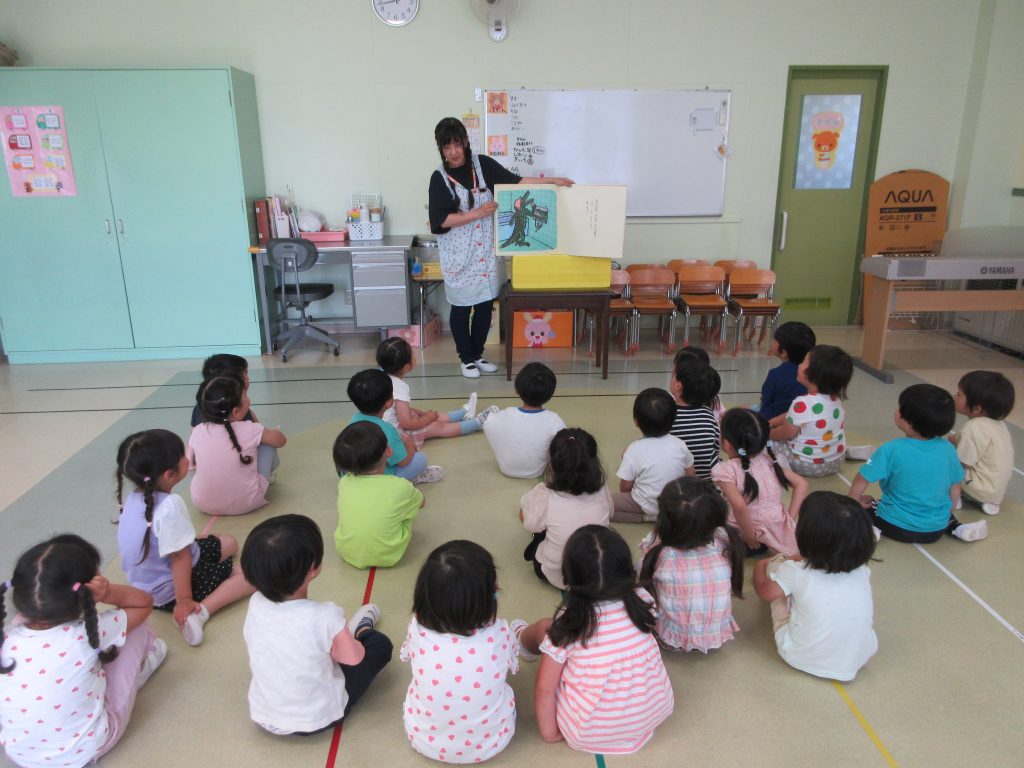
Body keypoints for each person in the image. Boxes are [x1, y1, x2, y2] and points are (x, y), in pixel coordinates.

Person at [428, 117, 573, 378]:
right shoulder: (439, 178)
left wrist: (553, 181)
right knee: (461, 308)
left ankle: (478, 354)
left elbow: (516, 182)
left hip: (485, 254)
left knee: (485, 306)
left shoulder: (482, 165)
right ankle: (466, 359)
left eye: (457, 144)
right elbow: (440, 220)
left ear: (465, 142)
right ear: (441, 149)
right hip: (460, 256)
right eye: (447, 147)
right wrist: (478, 213)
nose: (453, 152)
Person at [0, 534, 164, 767]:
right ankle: (143, 666)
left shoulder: (7, 637)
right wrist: (108, 593)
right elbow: (144, 603)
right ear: (85, 591)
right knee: (135, 629)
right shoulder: (84, 634)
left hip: (20, 754)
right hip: (84, 750)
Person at [240, 514, 392, 736]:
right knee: (379, 645)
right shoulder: (325, 616)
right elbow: (354, 659)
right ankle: (359, 630)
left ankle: (340, 638)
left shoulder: (256, 603)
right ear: (313, 567)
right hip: (318, 718)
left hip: (264, 715)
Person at [534, 526, 674, 754]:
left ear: (570, 576)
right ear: (626, 569)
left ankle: (521, 637)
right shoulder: (642, 599)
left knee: (549, 643)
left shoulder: (569, 624)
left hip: (588, 733)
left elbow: (545, 690)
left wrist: (550, 733)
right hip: (653, 715)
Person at [400, 540, 540, 763]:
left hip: (423, 740)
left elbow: (411, 655)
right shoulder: (499, 634)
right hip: (493, 743)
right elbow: (511, 667)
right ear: (486, 601)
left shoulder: (417, 629)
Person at [116, 428, 254, 646]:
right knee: (251, 576)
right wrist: (184, 601)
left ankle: (189, 597)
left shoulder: (135, 497)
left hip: (147, 582)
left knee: (230, 543)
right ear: (169, 475)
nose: (187, 458)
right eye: (182, 455)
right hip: (172, 588)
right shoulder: (169, 505)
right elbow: (180, 558)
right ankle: (199, 613)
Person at [753, 492, 878, 681]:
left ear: (806, 536)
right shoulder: (861, 569)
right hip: (860, 655)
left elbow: (765, 592)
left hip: (800, 656)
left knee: (776, 570)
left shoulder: (795, 572)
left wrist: (760, 567)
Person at [848, 384, 989, 543]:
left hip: (894, 526)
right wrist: (946, 513)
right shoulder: (948, 449)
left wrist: (853, 505)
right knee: (939, 509)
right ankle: (957, 527)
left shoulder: (891, 449)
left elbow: (862, 478)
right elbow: (955, 486)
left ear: (907, 422)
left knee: (869, 504)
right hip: (935, 530)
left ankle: (870, 529)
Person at [638, 477, 744, 653]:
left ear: (665, 520)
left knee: (642, 569)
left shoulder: (660, 553)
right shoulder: (726, 541)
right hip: (716, 634)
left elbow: (644, 575)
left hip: (673, 640)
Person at [520, 428, 613, 588]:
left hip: (557, 575)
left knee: (538, 527)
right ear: (594, 463)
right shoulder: (602, 488)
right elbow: (610, 513)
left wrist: (528, 502)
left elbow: (530, 524)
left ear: (552, 465)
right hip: (597, 570)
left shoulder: (544, 494)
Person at [187, 375, 287, 515]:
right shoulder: (250, 429)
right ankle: (268, 478)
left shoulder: (198, 430)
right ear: (236, 411)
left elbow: (190, 463)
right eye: (245, 395)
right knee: (267, 446)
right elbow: (281, 441)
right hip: (246, 502)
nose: (248, 398)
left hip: (202, 503)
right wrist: (269, 431)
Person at [713, 408, 806, 557]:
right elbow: (801, 483)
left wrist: (749, 535)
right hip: (775, 530)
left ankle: (744, 546)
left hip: (746, 534)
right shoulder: (768, 461)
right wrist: (789, 520)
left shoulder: (725, 470)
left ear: (726, 444)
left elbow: (739, 505)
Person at [332, 421, 424, 569]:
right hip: (390, 555)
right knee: (407, 507)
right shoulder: (400, 486)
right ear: (389, 451)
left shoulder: (344, 483)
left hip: (347, 551)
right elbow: (422, 503)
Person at [375, 337, 498, 447]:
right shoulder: (400, 387)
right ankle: (478, 423)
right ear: (407, 367)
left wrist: (422, 414)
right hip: (396, 436)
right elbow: (406, 423)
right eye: (412, 352)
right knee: (436, 426)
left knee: (428, 415)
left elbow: (397, 410)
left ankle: (464, 413)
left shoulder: (381, 376)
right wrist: (428, 419)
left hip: (384, 427)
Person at [769, 344, 853, 477]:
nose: (799, 365)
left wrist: (768, 432)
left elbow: (786, 434)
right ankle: (851, 452)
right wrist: (774, 421)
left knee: (765, 444)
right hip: (836, 462)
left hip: (806, 465)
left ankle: (784, 466)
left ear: (813, 374)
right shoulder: (835, 399)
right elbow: (797, 416)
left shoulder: (802, 403)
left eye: (803, 362)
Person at [347, 368, 442, 484]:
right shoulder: (388, 430)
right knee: (421, 459)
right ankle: (408, 479)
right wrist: (410, 445)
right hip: (380, 478)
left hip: (354, 475)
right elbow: (403, 461)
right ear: (389, 403)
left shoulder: (353, 420)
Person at [613, 388, 695, 522]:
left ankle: (645, 517)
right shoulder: (680, 444)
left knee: (604, 504)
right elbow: (691, 475)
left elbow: (625, 486)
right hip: (675, 504)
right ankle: (660, 516)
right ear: (673, 420)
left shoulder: (634, 449)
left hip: (643, 503)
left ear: (636, 421)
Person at [482, 362, 566, 478]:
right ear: (550, 394)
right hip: (537, 472)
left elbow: (487, 423)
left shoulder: (505, 414)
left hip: (506, 469)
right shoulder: (554, 420)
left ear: (517, 390)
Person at [951, 370, 1015, 515]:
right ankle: (989, 502)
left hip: (976, 488)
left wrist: (950, 447)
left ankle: (956, 495)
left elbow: (964, 462)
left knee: (945, 457)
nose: (954, 396)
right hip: (996, 491)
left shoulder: (973, 427)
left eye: (959, 394)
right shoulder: (999, 425)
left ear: (976, 408)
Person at [668, 355, 722, 479]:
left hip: (676, 482)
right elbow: (715, 448)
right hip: (706, 480)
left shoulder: (668, 413)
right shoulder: (709, 414)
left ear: (678, 386)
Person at [756, 321, 815, 420]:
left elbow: (766, 401)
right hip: (800, 417)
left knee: (741, 409)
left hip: (771, 417)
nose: (772, 341)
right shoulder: (813, 374)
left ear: (783, 352)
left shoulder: (775, 374)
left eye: (775, 340)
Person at [190, 353, 256, 427]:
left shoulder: (201, 407)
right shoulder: (241, 410)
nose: (247, 379)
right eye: (245, 375)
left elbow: (194, 431)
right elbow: (261, 432)